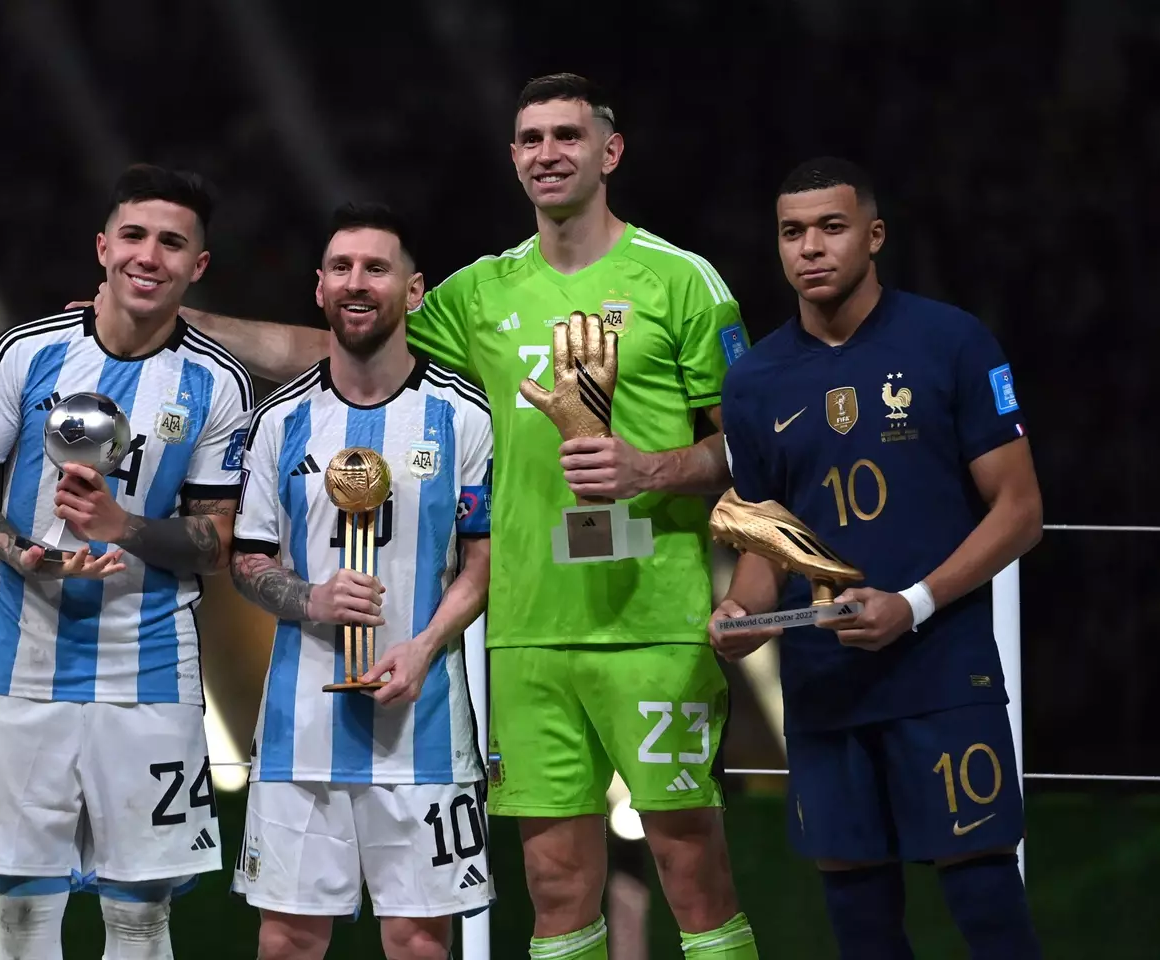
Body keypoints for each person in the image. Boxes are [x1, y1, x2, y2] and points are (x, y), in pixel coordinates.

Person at [167, 73, 758, 959]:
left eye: (566, 135)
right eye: (530, 139)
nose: (548, 154)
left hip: (655, 623)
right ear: (514, 158)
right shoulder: (482, 293)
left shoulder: (682, 281)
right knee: (556, 885)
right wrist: (176, 319)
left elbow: (749, 448)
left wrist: (653, 468)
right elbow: (342, 341)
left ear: (610, 150)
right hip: (524, 636)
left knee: (692, 868)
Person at [713, 157, 1043, 959]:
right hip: (826, 685)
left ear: (874, 234)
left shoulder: (952, 341)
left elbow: (1022, 512)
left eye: (832, 227)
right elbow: (769, 544)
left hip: (941, 669)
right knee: (860, 923)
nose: (811, 248)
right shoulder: (754, 380)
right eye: (793, 232)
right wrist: (742, 613)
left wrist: (915, 604)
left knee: (985, 902)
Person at [0, 163, 254, 960]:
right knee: (24, 914)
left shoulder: (218, 384)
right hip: (20, 664)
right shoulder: (24, 351)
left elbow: (217, 541)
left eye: (172, 243)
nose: (150, 256)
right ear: (103, 247)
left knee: (141, 916)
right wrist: (23, 550)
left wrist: (124, 527)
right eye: (135, 236)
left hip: (149, 672)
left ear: (197, 267)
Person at [228, 202, 494, 960]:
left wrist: (425, 646)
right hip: (298, 732)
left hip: (426, 726)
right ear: (319, 288)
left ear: (413, 291)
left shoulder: (461, 415)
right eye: (341, 268)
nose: (357, 282)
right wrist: (309, 599)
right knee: (286, 942)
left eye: (376, 268)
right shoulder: (280, 420)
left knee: (418, 945)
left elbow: (482, 561)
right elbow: (247, 559)